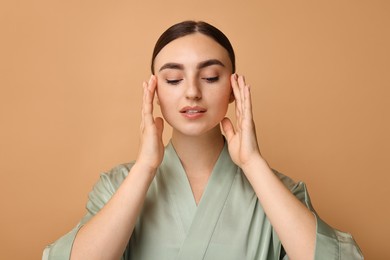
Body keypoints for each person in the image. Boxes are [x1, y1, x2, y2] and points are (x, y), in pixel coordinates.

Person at [43, 20, 363, 260]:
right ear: (154, 92)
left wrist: (253, 164)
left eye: (210, 77)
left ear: (234, 88)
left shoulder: (279, 193)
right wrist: (145, 167)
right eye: (173, 79)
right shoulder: (117, 186)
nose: (193, 91)